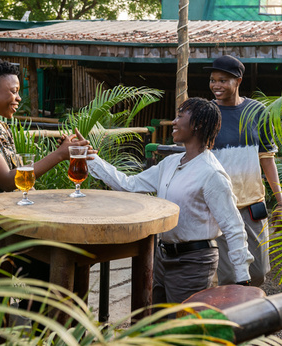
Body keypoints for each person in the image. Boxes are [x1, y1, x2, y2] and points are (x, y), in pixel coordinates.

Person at [86, 97, 252, 304]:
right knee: (158, 321)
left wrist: (242, 278)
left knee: (181, 328)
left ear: (198, 124)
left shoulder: (211, 174)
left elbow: (233, 226)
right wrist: (89, 158)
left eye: (180, 116)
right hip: (163, 256)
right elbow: (129, 184)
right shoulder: (171, 163)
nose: (173, 121)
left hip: (193, 262)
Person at [0, 58, 88, 225]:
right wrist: (59, 155)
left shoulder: (2, 128)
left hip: (8, 213)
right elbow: (8, 181)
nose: (19, 98)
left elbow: (20, 179)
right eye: (13, 91)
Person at [205, 55, 282, 287]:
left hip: (252, 205)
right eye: (213, 80)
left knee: (258, 272)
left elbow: (267, 159)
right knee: (229, 276)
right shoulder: (207, 113)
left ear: (238, 81)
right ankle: (233, 320)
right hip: (218, 206)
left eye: (223, 80)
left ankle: (247, 313)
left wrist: (280, 201)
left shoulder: (257, 111)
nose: (216, 85)